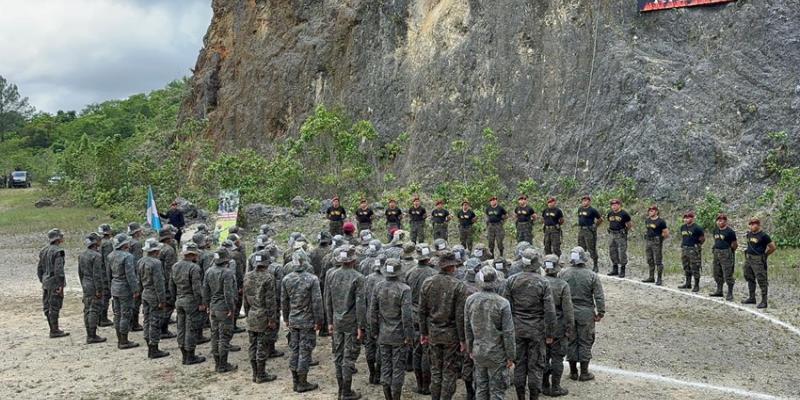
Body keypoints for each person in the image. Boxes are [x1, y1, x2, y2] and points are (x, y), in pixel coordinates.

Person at [504, 248, 556, 400]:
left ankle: (520, 397)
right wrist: (550, 333)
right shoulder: (543, 282)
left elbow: (506, 307)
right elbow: (550, 311)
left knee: (519, 365)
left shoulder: (511, 281)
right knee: (535, 366)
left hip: (517, 329)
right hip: (537, 331)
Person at [419, 250, 468, 400]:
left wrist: (423, 333)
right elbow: (460, 316)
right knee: (449, 371)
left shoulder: (427, 283)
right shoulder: (458, 286)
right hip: (451, 336)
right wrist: (463, 340)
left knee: (436, 370)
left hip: (433, 333)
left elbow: (422, 311)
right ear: (452, 267)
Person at [465, 266, 516, 400]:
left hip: (478, 351)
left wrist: (470, 349)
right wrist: (511, 355)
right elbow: (508, 332)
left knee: (481, 388)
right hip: (497, 354)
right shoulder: (503, 303)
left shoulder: (470, 300)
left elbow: (468, 327)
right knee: (497, 391)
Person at [325, 245, 367, 400]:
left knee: (338, 355)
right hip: (351, 323)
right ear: (353, 260)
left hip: (337, 321)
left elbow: (328, 300)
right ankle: (346, 392)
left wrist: (330, 321)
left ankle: (341, 390)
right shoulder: (358, 278)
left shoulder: (332, 275)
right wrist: (361, 326)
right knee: (348, 357)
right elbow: (360, 305)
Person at [370, 258, 414, 400]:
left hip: (383, 334)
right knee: (398, 369)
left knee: (385, 366)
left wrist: (374, 332)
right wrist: (409, 336)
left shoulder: (378, 287)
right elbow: (407, 316)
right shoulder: (404, 289)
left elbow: (373, 312)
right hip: (399, 336)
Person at [559, 247, 604, 382]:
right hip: (586, 313)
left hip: (569, 312)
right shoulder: (592, 275)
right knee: (585, 341)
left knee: (571, 340)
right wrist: (600, 312)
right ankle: (584, 372)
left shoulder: (563, 273)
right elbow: (599, 296)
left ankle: (573, 372)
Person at [282, 249, 324, 392]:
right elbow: (317, 302)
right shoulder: (312, 279)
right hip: (307, 321)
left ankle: (295, 381)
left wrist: (286, 318)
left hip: (293, 319)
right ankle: (302, 382)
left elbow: (284, 301)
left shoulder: (286, 279)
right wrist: (319, 320)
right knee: (305, 351)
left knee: (294, 349)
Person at [405, 244, 438, 395]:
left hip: (413, 315)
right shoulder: (433, 275)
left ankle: (419, 384)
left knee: (417, 349)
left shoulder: (410, 273)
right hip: (427, 316)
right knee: (426, 351)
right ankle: (426, 385)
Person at [541, 254, 575, 397]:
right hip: (558, 327)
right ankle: (555, 387)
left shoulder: (539, 282)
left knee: (542, 356)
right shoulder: (562, 285)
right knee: (557, 358)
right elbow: (568, 310)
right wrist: (570, 328)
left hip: (541, 325)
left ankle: (544, 384)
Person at [243, 253, 278, 383]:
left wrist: (247, 313)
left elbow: (245, 298)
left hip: (252, 314)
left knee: (252, 345)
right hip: (263, 316)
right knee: (262, 346)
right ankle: (261, 374)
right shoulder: (268, 277)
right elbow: (270, 301)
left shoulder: (247, 276)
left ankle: (255, 373)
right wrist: (272, 319)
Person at [203, 248, 239, 373]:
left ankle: (217, 363)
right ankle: (223, 365)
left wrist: (207, 305)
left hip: (213, 307)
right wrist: (231, 308)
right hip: (224, 308)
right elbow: (228, 293)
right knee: (224, 337)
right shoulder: (227, 273)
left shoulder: (208, 271)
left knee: (215, 335)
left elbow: (205, 290)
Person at [172, 242, 207, 365]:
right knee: (191, 329)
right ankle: (190, 356)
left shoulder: (175, 266)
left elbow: (172, 285)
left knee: (181, 328)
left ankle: (184, 355)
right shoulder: (194, 268)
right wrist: (201, 302)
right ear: (193, 254)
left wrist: (174, 298)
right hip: (190, 301)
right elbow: (196, 288)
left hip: (179, 299)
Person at [107, 233, 141, 349]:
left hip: (115, 287)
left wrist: (110, 286)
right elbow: (130, 275)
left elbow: (108, 274)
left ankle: (120, 339)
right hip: (125, 289)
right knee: (125, 315)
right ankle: (124, 341)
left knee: (117, 315)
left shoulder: (110, 255)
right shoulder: (128, 256)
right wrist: (135, 289)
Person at [137, 238, 166, 356]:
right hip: (154, 295)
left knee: (146, 320)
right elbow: (159, 283)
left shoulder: (141, 261)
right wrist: (162, 300)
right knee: (155, 321)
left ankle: (149, 344)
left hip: (145, 293)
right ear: (156, 251)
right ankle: (154, 348)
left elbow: (138, 279)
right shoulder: (156, 263)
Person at [38, 228, 69, 338]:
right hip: (54, 282)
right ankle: (54, 330)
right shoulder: (58, 251)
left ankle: (52, 328)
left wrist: (43, 280)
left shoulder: (43, 250)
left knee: (47, 306)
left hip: (46, 282)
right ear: (58, 239)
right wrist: (60, 284)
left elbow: (39, 268)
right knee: (55, 306)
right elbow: (59, 270)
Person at [78, 232, 106, 344]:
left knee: (87, 309)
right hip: (93, 285)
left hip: (86, 284)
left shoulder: (82, 255)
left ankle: (89, 333)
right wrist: (99, 290)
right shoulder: (96, 256)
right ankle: (92, 335)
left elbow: (80, 273)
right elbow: (97, 275)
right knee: (94, 309)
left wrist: (83, 284)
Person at [742, 218, 776, 308]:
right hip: (749, 258)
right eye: (751, 224)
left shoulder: (764, 236)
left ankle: (764, 301)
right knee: (749, 277)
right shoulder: (749, 234)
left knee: (761, 279)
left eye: (754, 224)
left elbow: (772, 247)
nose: (752, 226)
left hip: (758, 259)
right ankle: (752, 298)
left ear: (758, 225)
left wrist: (765, 255)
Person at [364, 252, 387, 385]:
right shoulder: (386, 281)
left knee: (369, 345)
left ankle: (372, 373)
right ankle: (377, 373)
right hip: (382, 318)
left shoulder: (367, 279)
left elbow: (363, 300)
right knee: (380, 346)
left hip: (369, 316)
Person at [710, 213, 737, 300]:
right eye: (718, 220)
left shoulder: (730, 232)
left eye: (721, 220)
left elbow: (734, 244)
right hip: (716, 252)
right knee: (717, 272)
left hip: (726, 253)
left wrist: (729, 252)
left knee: (727, 273)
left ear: (725, 221)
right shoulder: (715, 230)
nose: (719, 222)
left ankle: (730, 293)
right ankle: (719, 290)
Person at [157, 228, 178, 339]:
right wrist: (172, 283)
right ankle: (163, 330)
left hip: (158, 280)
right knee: (169, 304)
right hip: (166, 281)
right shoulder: (169, 250)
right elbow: (170, 269)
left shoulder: (158, 247)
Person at [678, 212, 705, 292]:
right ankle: (688, 283)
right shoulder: (682, 227)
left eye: (688, 218)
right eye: (685, 218)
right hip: (685, 248)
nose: (686, 219)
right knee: (686, 266)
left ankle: (696, 285)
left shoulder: (697, 228)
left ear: (692, 218)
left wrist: (697, 246)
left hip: (693, 249)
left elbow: (702, 239)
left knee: (695, 267)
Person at [643, 205, 669, 285]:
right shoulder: (647, 220)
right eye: (649, 211)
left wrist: (660, 239)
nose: (650, 212)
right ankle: (651, 277)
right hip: (648, 241)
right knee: (649, 259)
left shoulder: (661, 221)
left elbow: (666, 233)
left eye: (652, 210)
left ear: (656, 211)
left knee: (658, 260)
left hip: (656, 242)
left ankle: (659, 278)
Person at [606, 199, 632, 278]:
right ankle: (615, 269)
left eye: (615, 205)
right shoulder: (610, 213)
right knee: (612, 251)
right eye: (612, 205)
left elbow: (629, 224)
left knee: (622, 252)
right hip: (612, 234)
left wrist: (625, 231)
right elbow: (609, 222)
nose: (614, 206)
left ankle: (622, 269)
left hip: (620, 235)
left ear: (619, 205)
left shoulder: (624, 214)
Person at [576, 195, 602, 272]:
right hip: (581, 230)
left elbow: (600, 219)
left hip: (589, 231)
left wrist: (595, 226)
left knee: (591, 248)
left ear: (589, 202)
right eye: (583, 201)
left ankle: (595, 265)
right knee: (580, 248)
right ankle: (580, 264)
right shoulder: (580, 209)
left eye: (586, 200)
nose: (584, 202)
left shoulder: (592, 210)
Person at [128, 222, 145, 332]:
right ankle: (134, 323)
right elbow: (137, 262)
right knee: (136, 300)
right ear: (137, 232)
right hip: (135, 275)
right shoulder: (137, 244)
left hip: (129, 274)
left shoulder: (128, 242)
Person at [97, 224, 115, 327]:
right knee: (106, 295)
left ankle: (100, 317)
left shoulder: (99, 243)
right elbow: (108, 261)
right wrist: (110, 277)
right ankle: (103, 318)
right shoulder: (107, 244)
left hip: (99, 272)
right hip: (104, 273)